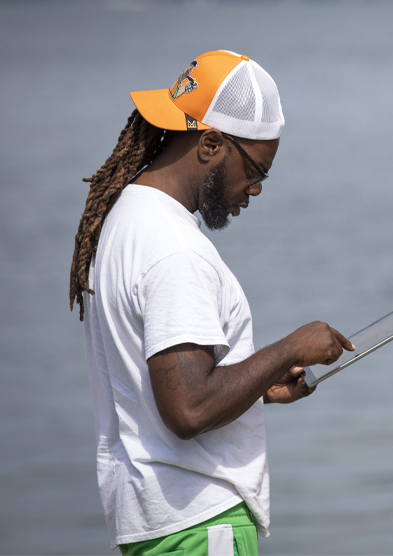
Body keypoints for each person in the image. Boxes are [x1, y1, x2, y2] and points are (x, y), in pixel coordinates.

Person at [69, 50, 354, 555]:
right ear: (211, 143)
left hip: (156, 521)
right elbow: (189, 410)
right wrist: (290, 349)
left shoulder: (127, 217)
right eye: (256, 170)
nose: (257, 189)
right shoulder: (175, 249)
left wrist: (260, 383)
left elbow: (157, 390)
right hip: (198, 524)